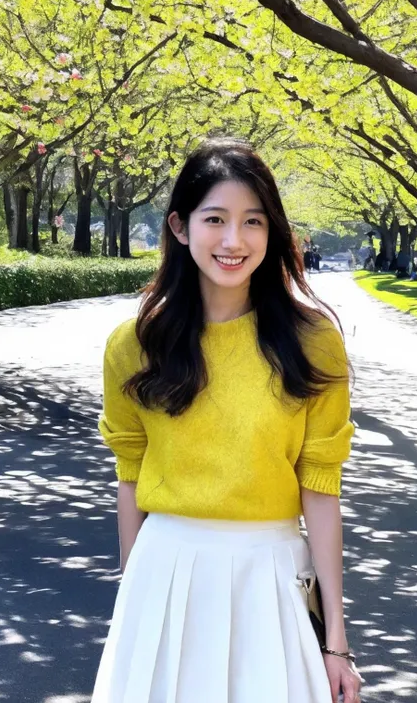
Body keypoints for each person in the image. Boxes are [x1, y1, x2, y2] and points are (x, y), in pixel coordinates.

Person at [91, 138, 362, 703]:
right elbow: (131, 476)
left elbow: (320, 485)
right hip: (165, 573)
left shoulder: (313, 343)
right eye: (215, 219)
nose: (234, 240)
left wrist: (336, 641)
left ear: (273, 233)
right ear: (181, 227)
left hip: (272, 576)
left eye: (253, 222)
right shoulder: (135, 346)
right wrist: (131, 597)